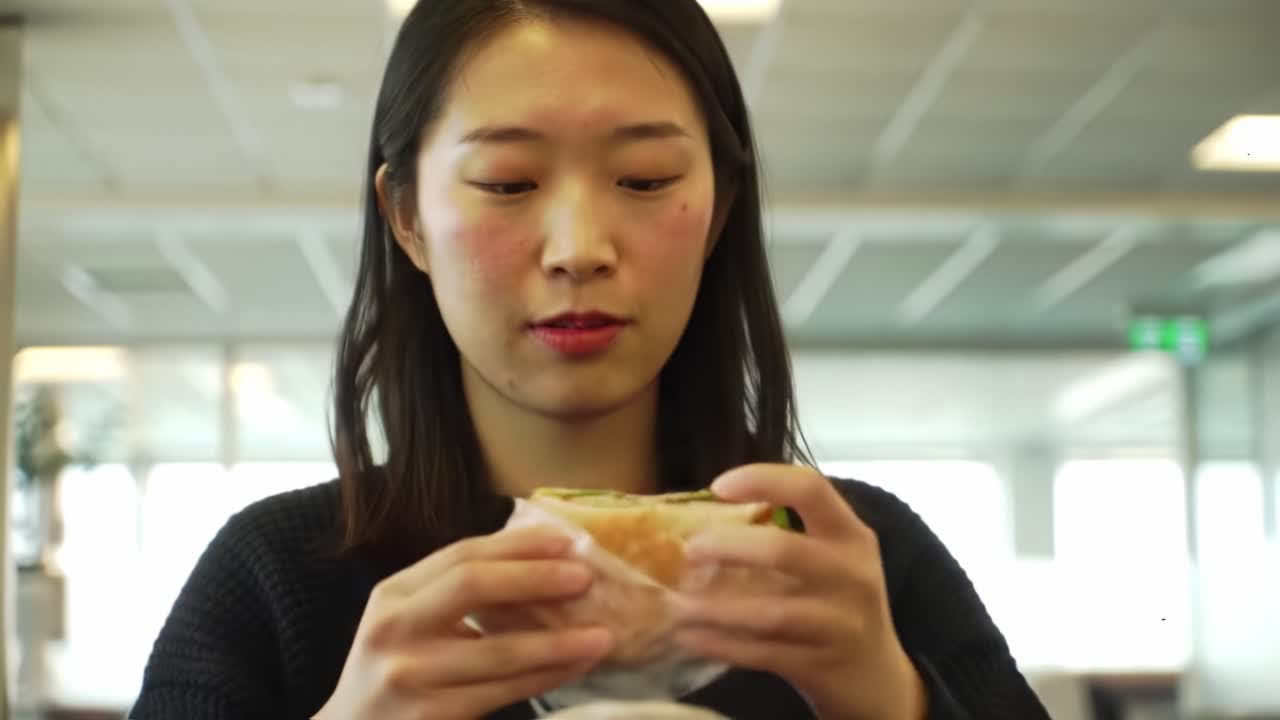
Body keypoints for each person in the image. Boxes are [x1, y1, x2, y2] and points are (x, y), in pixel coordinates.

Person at [130, 1, 1051, 718]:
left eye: (646, 180)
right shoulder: (277, 575)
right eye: (508, 183)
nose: (579, 247)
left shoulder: (854, 564)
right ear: (406, 215)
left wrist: (896, 704)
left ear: (720, 208)